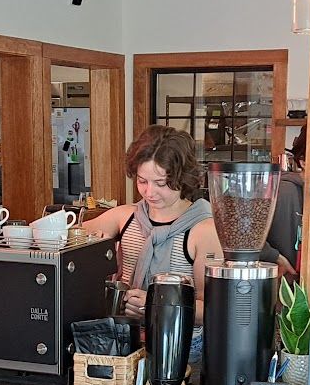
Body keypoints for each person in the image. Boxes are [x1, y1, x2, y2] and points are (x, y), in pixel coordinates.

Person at [84, 125, 223, 321]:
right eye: (142, 181)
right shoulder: (126, 217)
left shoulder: (204, 230)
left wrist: (156, 306)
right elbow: (62, 238)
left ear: (183, 177)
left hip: (180, 338)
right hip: (125, 333)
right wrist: (96, 249)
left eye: (160, 183)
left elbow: (212, 309)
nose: (149, 192)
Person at [265, 124, 305, 280]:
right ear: (303, 161)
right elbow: (244, 233)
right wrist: (274, 256)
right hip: (283, 286)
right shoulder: (282, 191)